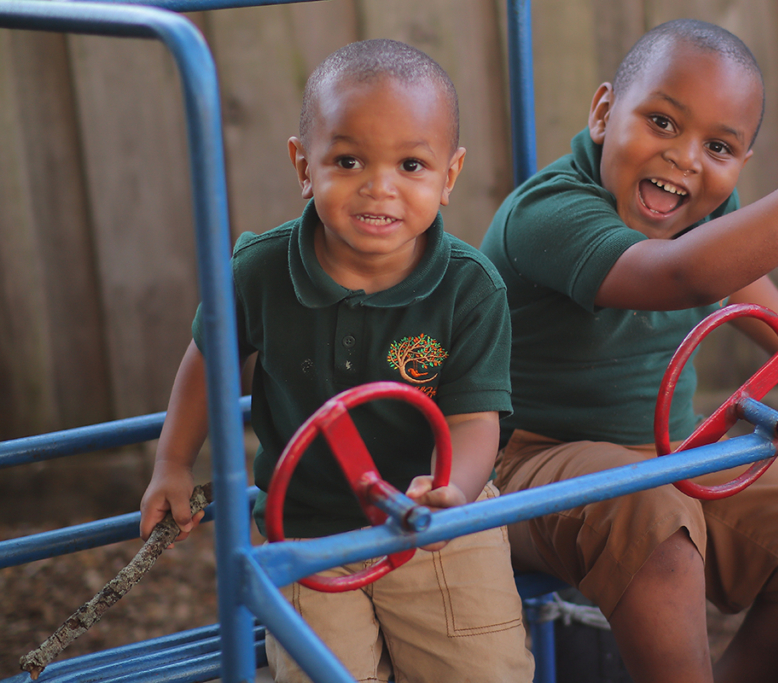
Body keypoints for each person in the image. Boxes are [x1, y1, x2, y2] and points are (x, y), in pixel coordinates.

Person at [480, 19, 778, 683]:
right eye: (662, 122)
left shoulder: (700, 214)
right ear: (604, 113)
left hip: (664, 455)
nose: (685, 156)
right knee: (649, 511)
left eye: (718, 145)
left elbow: (737, 269)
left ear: (740, 164)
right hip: (525, 462)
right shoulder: (549, 212)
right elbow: (684, 273)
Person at [139, 39, 534, 683]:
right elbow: (207, 361)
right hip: (306, 532)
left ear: (450, 175)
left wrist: (453, 492)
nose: (379, 186)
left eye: (411, 165)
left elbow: (473, 419)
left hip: (437, 526)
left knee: (482, 669)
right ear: (304, 164)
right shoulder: (259, 271)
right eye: (348, 160)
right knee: (324, 674)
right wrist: (173, 463)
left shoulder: (470, 287)